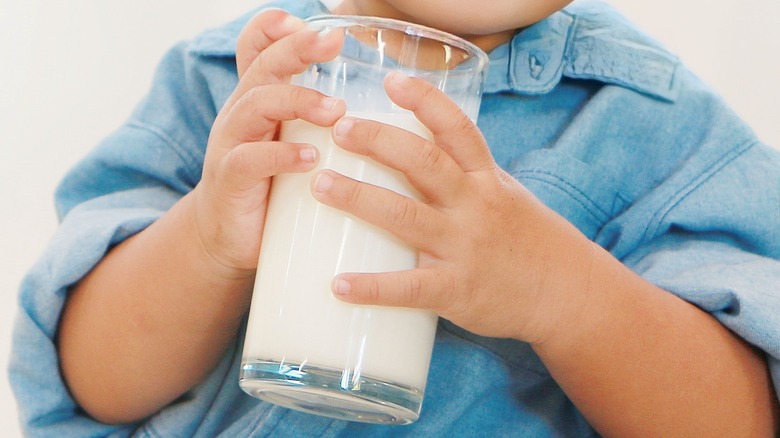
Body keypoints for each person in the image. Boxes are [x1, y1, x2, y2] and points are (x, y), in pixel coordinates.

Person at [10, 0, 780, 435]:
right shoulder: (228, 84)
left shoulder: (656, 128)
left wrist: (565, 296)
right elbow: (93, 383)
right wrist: (207, 242)